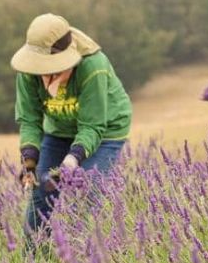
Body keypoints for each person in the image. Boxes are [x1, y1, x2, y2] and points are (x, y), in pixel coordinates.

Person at [11, 13, 132, 239]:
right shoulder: (28, 72)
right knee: (40, 193)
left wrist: (73, 158)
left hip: (105, 131)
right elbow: (29, 119)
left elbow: (92, 126)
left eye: (54, 72)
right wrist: (29, 162)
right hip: (59, 130)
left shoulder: (93, 67)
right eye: (42, 72)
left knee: (84, 191)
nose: (47, 79)